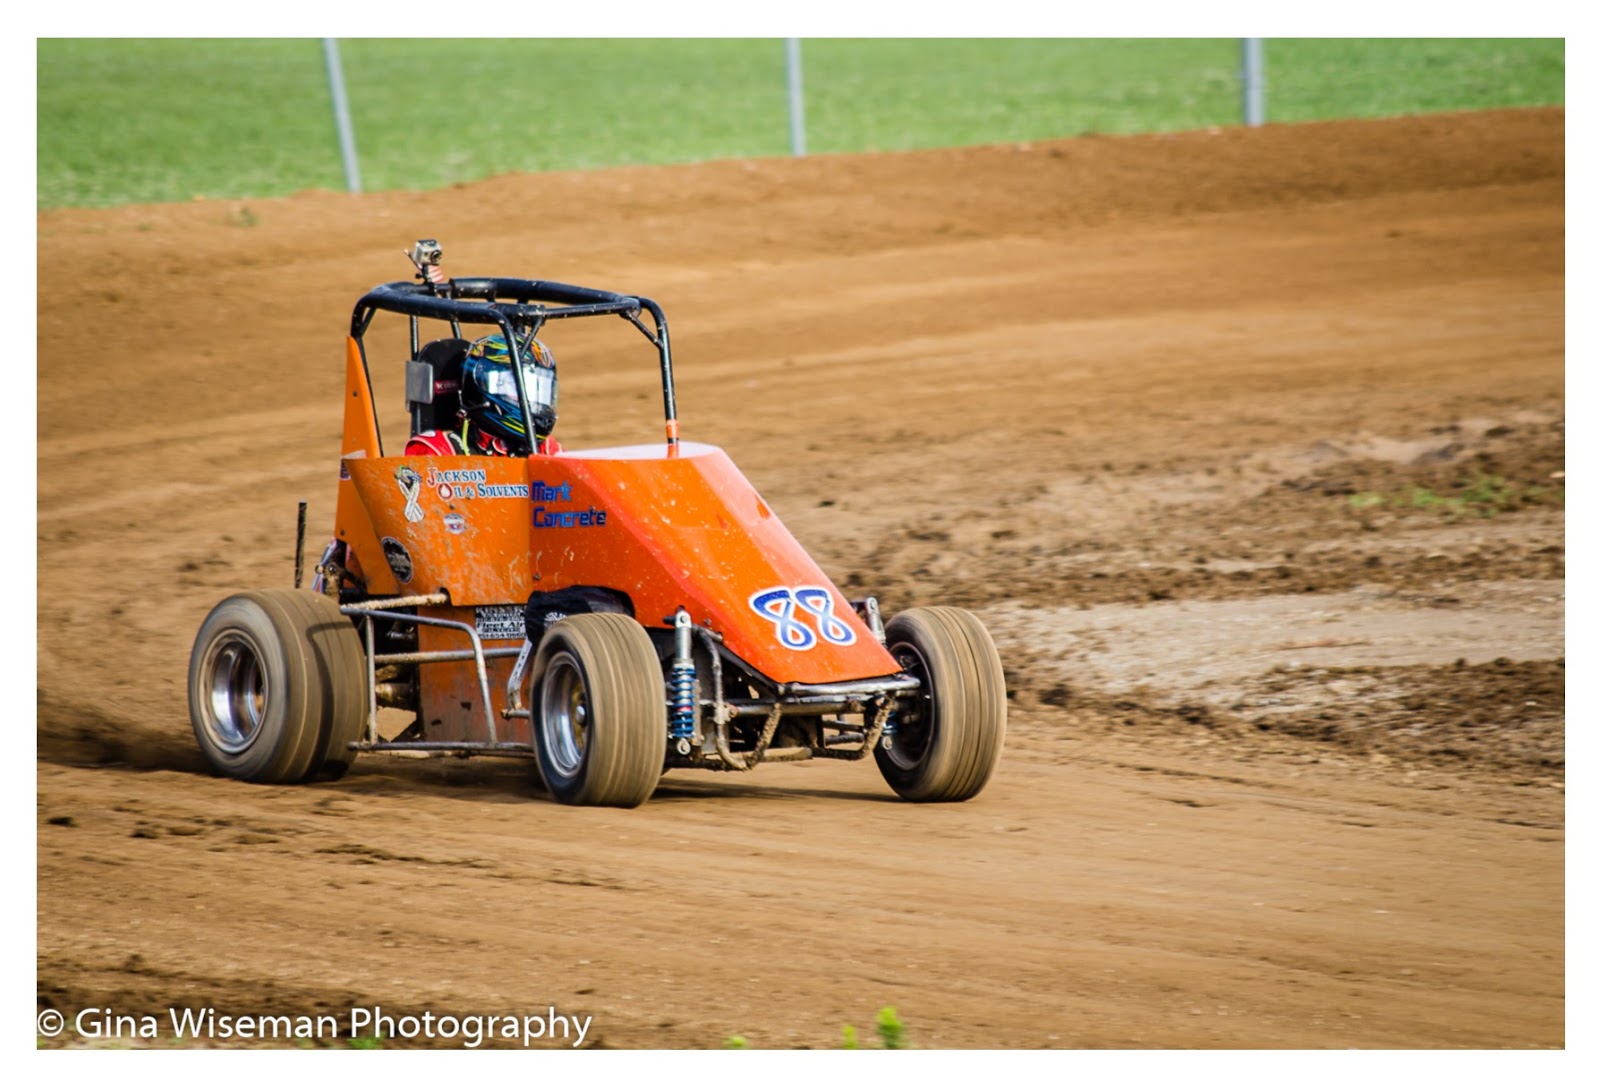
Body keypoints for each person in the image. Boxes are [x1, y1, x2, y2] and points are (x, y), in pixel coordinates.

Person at [406, 329, 563, 456]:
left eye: (539, 389)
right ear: (489, 383)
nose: (533, 398)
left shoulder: (545, 449)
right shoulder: (437, 450)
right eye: (519, 386)